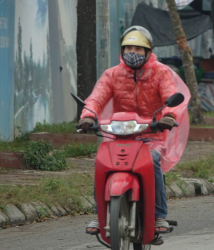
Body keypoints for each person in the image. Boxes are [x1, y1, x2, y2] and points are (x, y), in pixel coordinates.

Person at [78, 26, 188, 235]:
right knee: (101, 161)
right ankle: (99, 213)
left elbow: (171, 97)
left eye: (138, 49)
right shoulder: (112, 74)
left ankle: (158, 215)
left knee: (154, 160)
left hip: (152, 134)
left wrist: (169, 116)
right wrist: (88, 115)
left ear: (148, 52)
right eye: (128, 48)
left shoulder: (161, 72)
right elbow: (97, 97)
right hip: (119, 134)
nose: (132, 52)